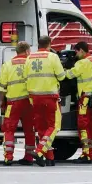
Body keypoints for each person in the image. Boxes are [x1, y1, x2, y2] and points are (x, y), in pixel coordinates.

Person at [24, 36, 66, 167]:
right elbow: (61, 76)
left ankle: (49, 158)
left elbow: (26, 76)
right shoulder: (52, 57)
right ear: (49, 44)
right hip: (50, 97)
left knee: (42, 128)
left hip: (34, 97)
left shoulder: (29, 57)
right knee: (54, 126)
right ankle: (40, 150)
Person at [0, 41, 35, 166]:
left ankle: (8, 157)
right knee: (29, 130)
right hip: (28, 102)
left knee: (9, 129)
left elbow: (2, 87)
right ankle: (29, 157)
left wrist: (1, 100)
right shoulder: (31, 63)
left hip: (12, 103)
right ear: (27, 51)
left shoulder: (7, 65)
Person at [65, 41, 92, 164]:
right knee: (90, 124)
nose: (75, 54)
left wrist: (62, 70)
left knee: (83, 124)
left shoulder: (82, 63)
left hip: (85, 97)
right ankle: (90, 152)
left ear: (81, 50)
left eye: (76, 51)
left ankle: (86, 153)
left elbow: (70, 75)